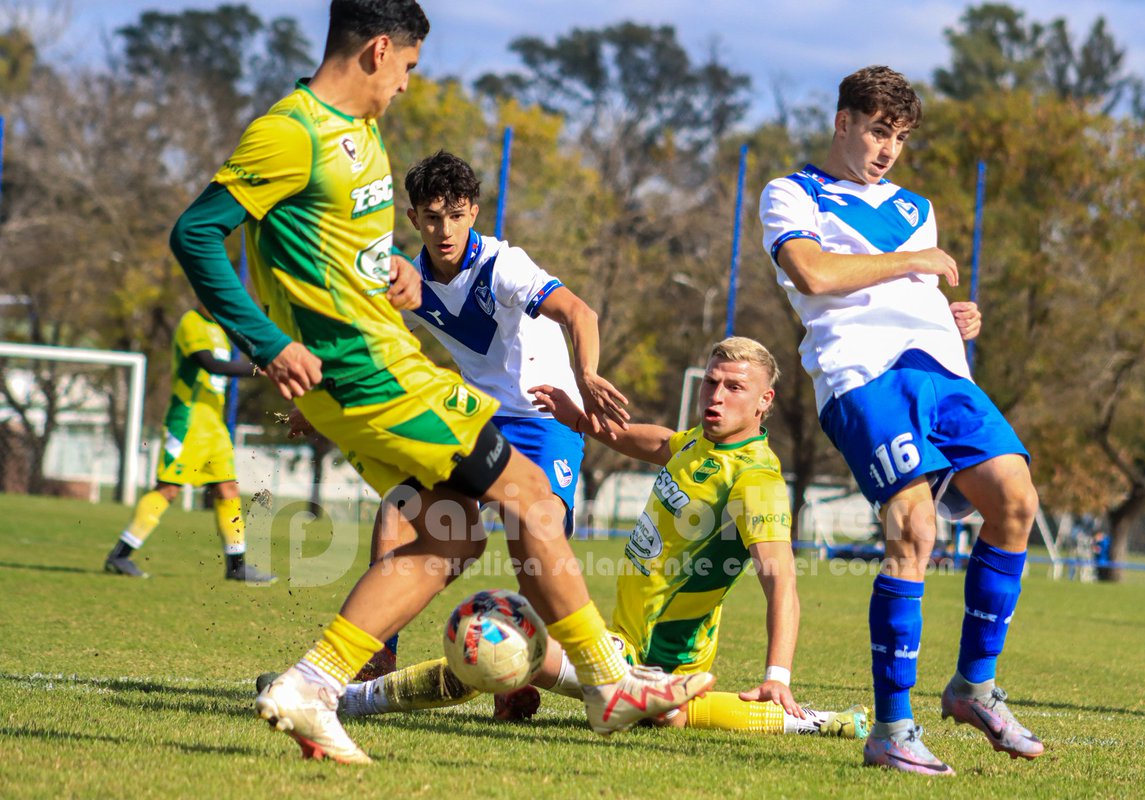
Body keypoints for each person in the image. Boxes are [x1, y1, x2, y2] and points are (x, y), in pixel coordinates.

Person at [167, 0, 712, 765]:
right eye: (410, 68)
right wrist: (268, 342)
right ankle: (608, 684)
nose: (408, 86)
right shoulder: (292, 131)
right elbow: (195, 234)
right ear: (380, 50)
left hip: (371, 371)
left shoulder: (361, 134)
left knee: (448, 537)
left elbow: (327, 256)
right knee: (526, 499)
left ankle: (312, 685)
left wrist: (376, 277)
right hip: (373, 371)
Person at [340, 337, 870, 739]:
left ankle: (349, 697)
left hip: (657, 652)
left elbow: (781, 583)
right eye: (711, 382)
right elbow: (651, 440)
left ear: (764, 402)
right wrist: (582, 422)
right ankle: (811, 722)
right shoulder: (697, 445)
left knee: (493, 633)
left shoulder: (755, 480)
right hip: (628, 639)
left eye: (734, 388)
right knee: (657, 709)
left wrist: (777, 673)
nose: (716, 395)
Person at [758, 65, 1042, 775]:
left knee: (1016, 500)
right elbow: (816, 276)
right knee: (915, 529)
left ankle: (974, 685)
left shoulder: (918, 206)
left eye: (901, 137)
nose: (888, 149)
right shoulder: (793, 192)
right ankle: (891, 728)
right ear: (843, 122)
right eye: (878, 131)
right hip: (861, 376)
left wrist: (950, 316)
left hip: (939, 371)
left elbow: (904, 289)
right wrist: (914, 263)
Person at [348, 149, 630, 681]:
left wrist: (588, 375)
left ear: (473, 212)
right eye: (432, 218)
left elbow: (579, 311)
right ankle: (374, 655)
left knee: (534, 555)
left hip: (545, 420)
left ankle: (543, 673)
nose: (444, 229)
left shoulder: (503, 266)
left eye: (456, 215)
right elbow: (367, 347)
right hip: (480, 419)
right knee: (400, 509)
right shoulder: (410, 282)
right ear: (414, 220)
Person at [103, 306, 275, 584]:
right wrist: (257, 369)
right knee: (169, 490)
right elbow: (211, 364)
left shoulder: (221, 329)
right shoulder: (191, 323)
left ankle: (236, 565)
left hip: (213, 426)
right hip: (187, 422)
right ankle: (120, 555)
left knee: (227, 489)